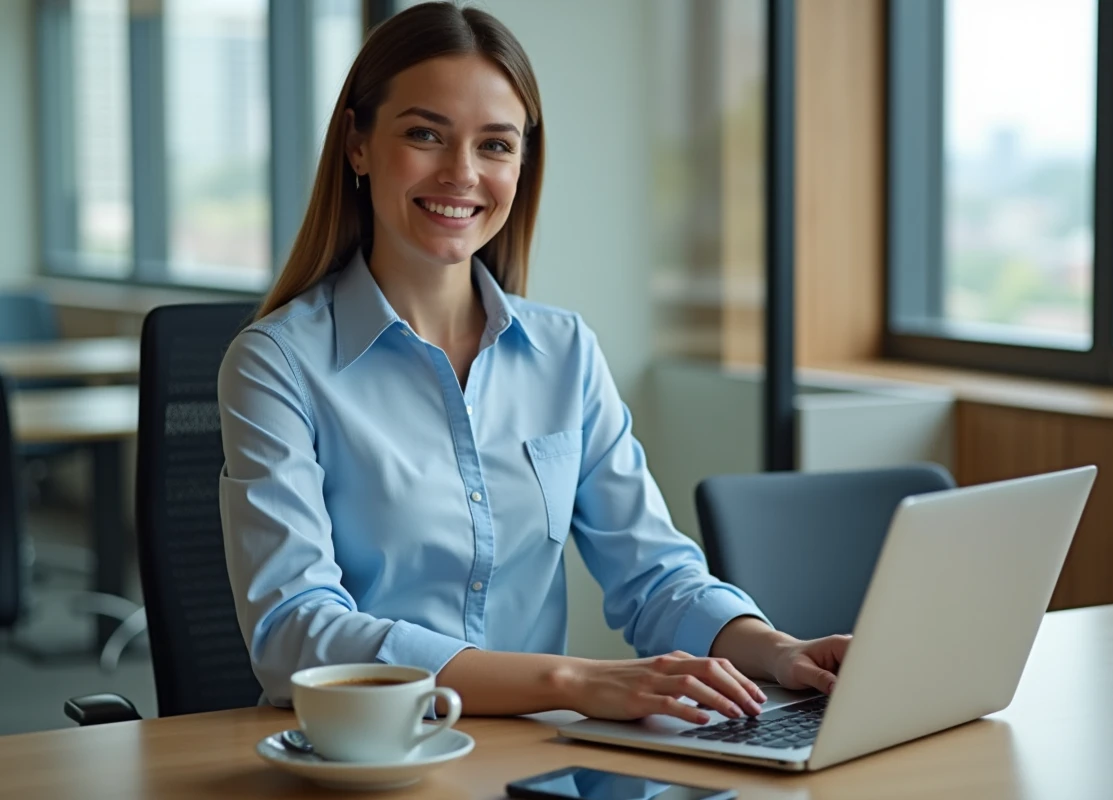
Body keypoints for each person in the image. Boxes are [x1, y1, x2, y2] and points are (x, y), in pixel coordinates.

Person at [218, 1, 847, 726]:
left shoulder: (564, 352)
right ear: (357, 145)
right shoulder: (276, 364)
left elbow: (654, 574)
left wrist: (779, 652)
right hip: (367, 754)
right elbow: (296, 631)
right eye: (425, 134)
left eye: (495, 145)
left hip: (534, 759)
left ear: (521, 163)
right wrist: (570, 680)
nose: (462, 173)